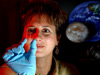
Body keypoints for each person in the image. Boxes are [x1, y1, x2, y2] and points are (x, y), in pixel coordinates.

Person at [0, 1, 80, 75]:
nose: (37, 37)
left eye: (46, 30)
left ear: (57, 39)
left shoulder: (70, 71)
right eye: (31, 30)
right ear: (23, 36)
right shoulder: (8, 71)